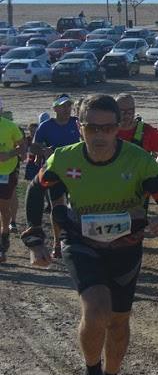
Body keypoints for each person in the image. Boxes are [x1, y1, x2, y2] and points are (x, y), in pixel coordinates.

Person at [21, 95, 158, 375]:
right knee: (96, 311)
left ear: (118, 127)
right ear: (80, 128)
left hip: (126, 248)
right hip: (81, 243)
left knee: (119, 321)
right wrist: (35, 239)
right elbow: (36, 190)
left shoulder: (139, 161)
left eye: (107, 128)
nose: (99, 135)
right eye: (92, 127)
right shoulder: (64, 159)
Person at [28, 94, 82, 260]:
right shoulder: (46, 126)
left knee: (79, 205)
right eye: (63, 106)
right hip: (55, 171)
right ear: (55, 108)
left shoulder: (77, 123)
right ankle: (58, 243)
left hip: (77, 171)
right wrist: (44, 151)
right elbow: (34, 148)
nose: (66, 109)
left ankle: (80, 240)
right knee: (57, 207)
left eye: (69, 106)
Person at [0, 104, 24, 260]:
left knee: (3, 209)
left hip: (5, 173)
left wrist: (9, 154)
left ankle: (4, 237)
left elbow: (23, 147)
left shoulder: (10, 126)